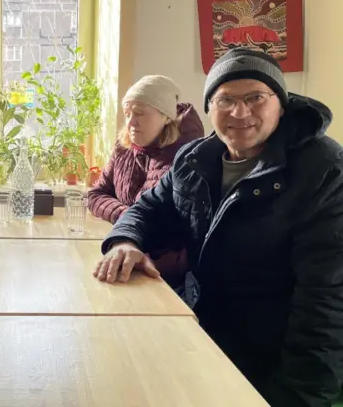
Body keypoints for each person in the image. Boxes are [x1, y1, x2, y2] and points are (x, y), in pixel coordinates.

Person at [94, 47, 343, 406]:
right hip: (203, 332)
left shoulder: (324, 170)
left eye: (256, 97)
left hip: (273, 359)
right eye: (225, 99)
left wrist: (295, 397)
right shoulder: (195, 158)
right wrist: (124, 241)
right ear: (209, 107)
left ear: (282, 104)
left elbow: (326, 305)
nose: (240, 113)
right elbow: (147, 209)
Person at [88, 75, 203, 286]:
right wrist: (128, 220)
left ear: (166, 117)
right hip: (124, 248)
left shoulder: (185, 159)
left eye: (139, 113)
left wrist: (132, 225)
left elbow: (168, 231)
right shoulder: (123, 148)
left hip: (162, 274)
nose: (131, 122)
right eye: (127, 113)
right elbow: (96, 194)